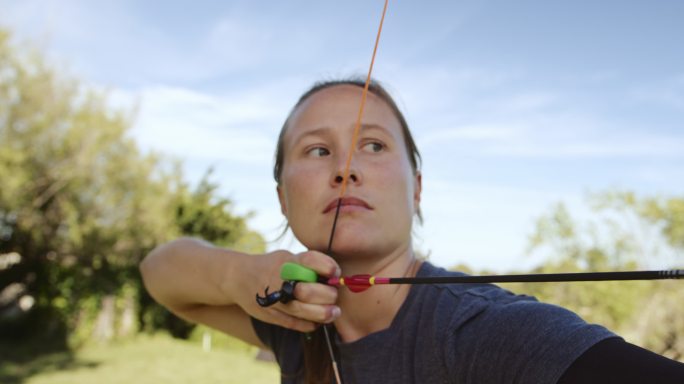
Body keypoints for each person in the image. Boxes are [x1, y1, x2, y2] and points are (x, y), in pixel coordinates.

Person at [140, 79, 684, 383]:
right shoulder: (288, 320)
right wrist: (238, 274)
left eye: (373, 145)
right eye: (317, 150)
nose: (345, 167)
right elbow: (159, 274)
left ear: (416, 188)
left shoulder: (481, 330)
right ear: (282, 195)